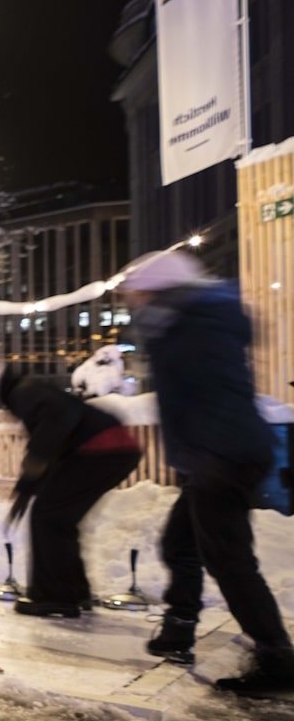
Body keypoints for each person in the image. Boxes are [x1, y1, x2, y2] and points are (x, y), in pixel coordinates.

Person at [122, 249, 292, 694]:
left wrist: (209, 455)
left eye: (138, 293)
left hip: (223, 456)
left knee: (230, 560)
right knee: (181, 543)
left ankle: (277, 658)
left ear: (163, 292)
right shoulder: (189, 323)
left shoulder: (190, 328)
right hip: (217, 455)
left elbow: (207, 396)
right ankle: (179, 628)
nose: (132, 302)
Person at [0, 364, 141, 618]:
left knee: (48, 517)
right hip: (110, 449)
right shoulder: (29, 390)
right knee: (58, 519)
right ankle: (73, 592)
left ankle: (55, 597)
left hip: (101, 450)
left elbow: (59, 419)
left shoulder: (24, 393)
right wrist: (29, 484)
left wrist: (35, 464)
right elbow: (55, 437)